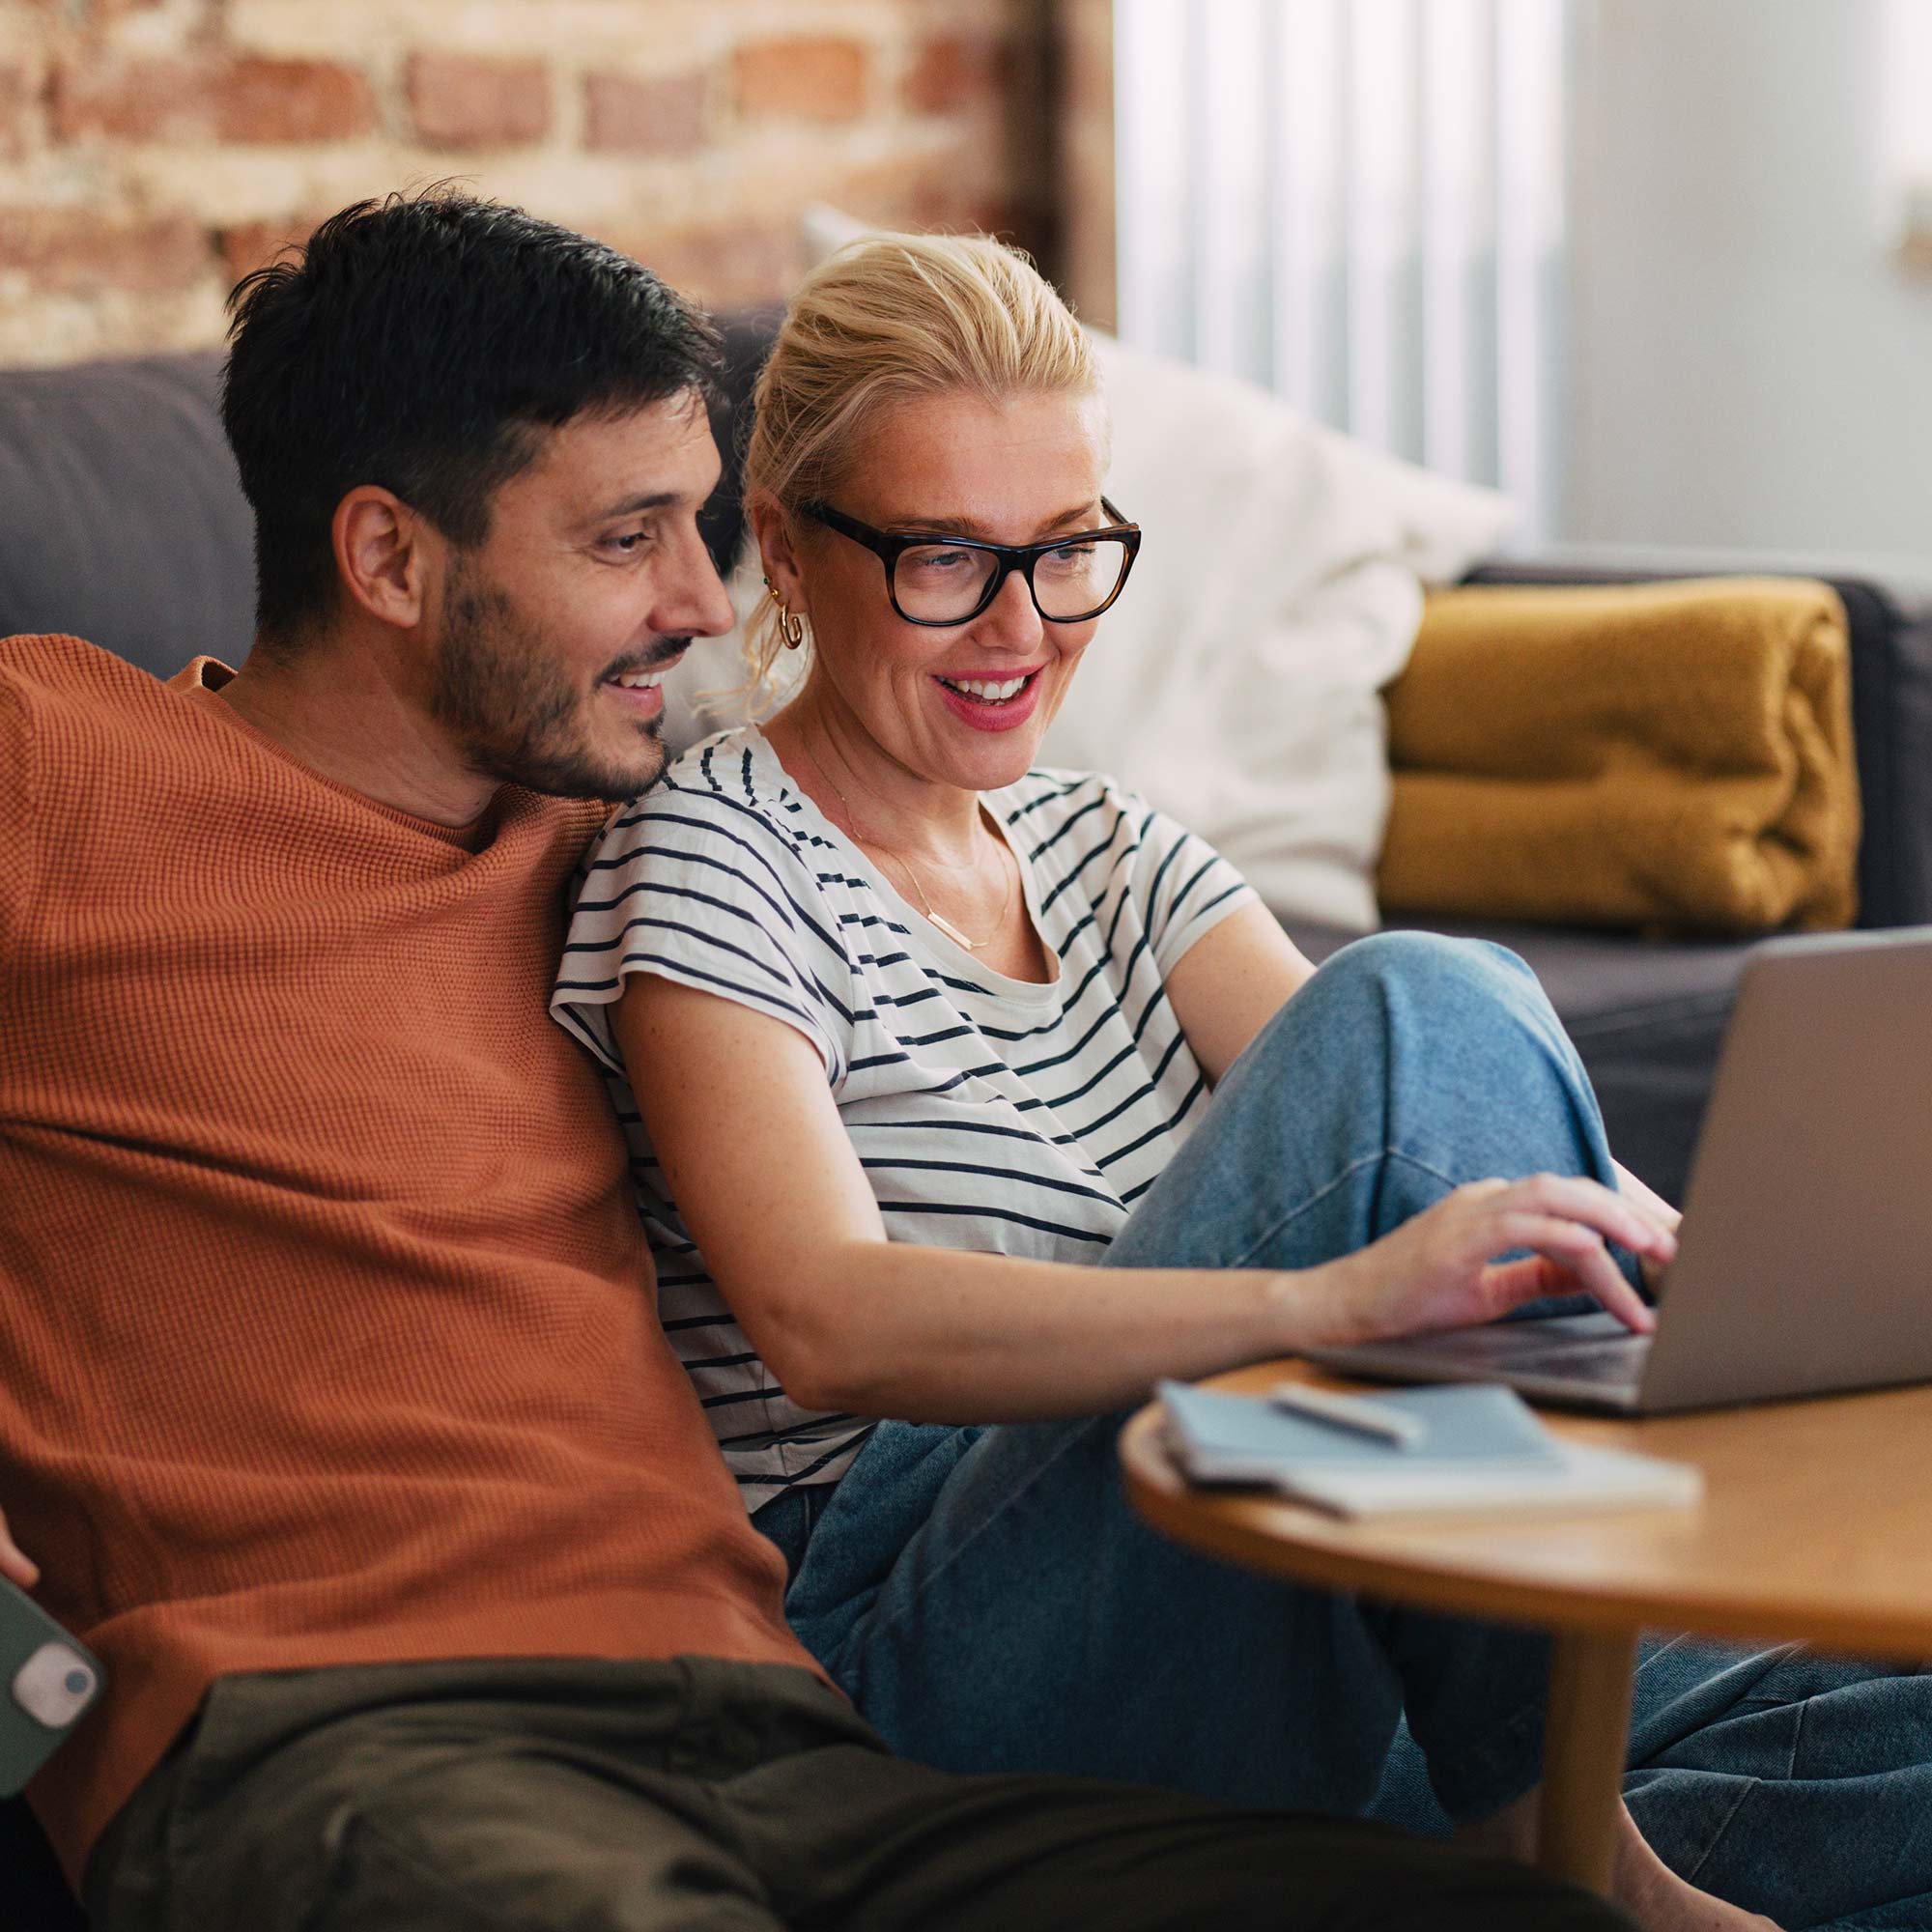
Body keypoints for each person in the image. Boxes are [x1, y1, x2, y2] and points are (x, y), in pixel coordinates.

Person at [0, 189, 1640, 1932]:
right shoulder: (59, 763)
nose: (707, 609)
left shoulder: (617, 856)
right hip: (346, 1728)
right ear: (392, 560)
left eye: (707, 530)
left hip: (785, 1728)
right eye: (629, 540)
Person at [554, 231, 1932, 1932]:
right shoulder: (711, 854)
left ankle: (1514, 1841)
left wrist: (1785, 1301)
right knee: (1415, 997)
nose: (1018, 627)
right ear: (783, 546)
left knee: (1898, 1731)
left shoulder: (1112, 844)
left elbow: (1457, 1137)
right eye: (945, 561)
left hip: (1281, 1580)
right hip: (928, 1643)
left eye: (1066, 556)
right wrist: (1333, 1301)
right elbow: (826, 1316)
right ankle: (1569, 1864)